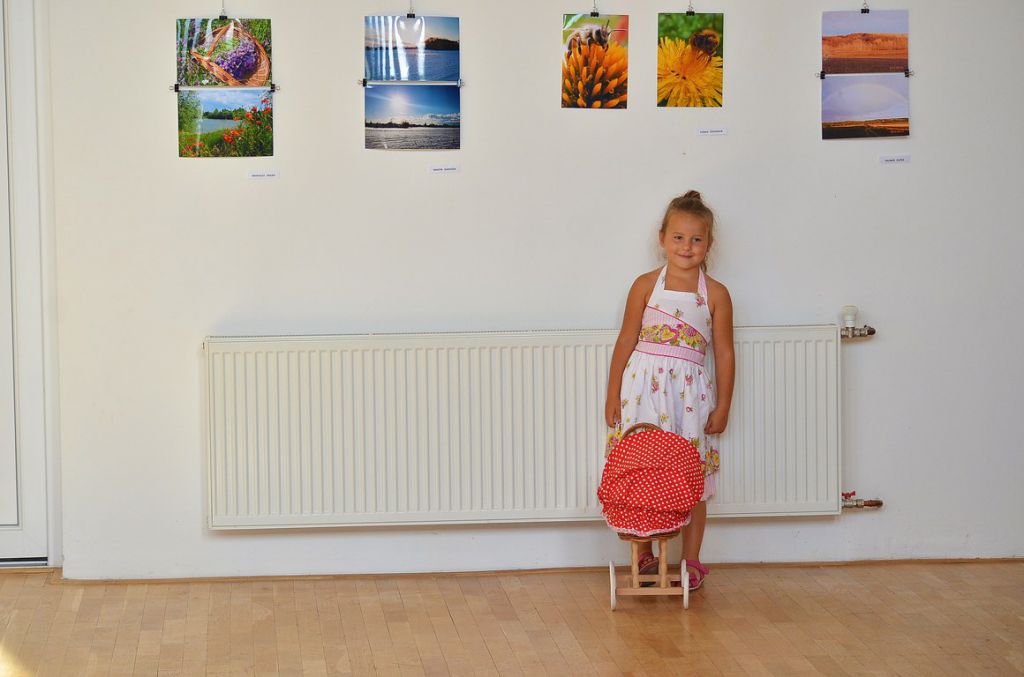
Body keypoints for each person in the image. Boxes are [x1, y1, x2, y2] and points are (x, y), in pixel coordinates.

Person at [604, 190, 735, 591]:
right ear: (662, 238)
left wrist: (724, 406)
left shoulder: (716, 294)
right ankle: (643, 555)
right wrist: (612, 394)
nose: (686, 247)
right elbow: (626, 339)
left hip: (689, 398)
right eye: (678, 237)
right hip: (643, 391)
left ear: (708, 244)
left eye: (696, 239)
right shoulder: (645, 285)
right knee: (643, 471)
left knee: (691, 475)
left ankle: (691, 560)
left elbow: (724, 353)